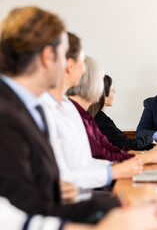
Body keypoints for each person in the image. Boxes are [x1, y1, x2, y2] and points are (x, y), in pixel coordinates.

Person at [0, 0, 157, 230]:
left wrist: (115, 202)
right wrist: (114, 209)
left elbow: (17, 205)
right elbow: (7, 213)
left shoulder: (21, 109)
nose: (69, 67)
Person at [0, 6, 126, 223]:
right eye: (63, 54)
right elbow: (26, 210)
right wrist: (118, 205)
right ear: (49, 56)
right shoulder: (0, 119)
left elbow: (45, 190)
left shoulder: (23, 107)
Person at [40, 33, 143, 189]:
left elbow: (88, 161)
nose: (83, 70)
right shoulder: (55, 109)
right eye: (82, 62)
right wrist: (116, 170)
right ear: (69, 65)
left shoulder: (68, 107)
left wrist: (126, 165)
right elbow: (66, 176)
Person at [67, 57, 157, 164]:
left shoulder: (88, 118)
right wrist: (149, 156)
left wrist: (151, 153)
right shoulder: (83, 117)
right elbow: (107, 156)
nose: (101, 88)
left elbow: (111, 152)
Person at [89, 75, 153, 150]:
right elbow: (129, 145)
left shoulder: (98, 117)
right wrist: (150, 139)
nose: (115, 92)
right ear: (104, 96)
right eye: (112, 90)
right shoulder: (100, 120)